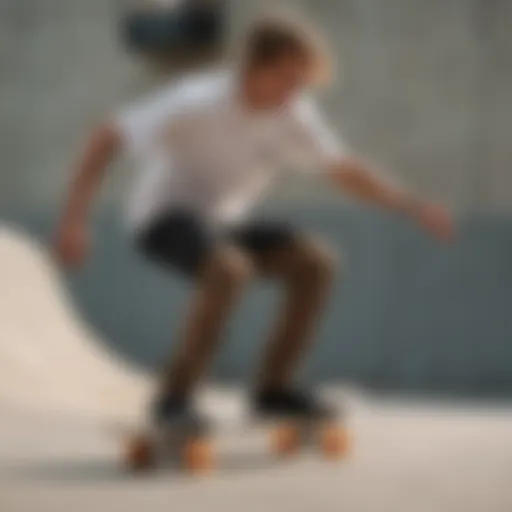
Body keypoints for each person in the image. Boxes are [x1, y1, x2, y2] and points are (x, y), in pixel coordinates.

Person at [55, 13, 455, 427]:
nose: (294, 92)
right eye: (287, 78)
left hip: (221, 223)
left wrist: (411, 205)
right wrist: (74, 220)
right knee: (228, 267)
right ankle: (174, 397)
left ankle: (274, 390)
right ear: (253, 67)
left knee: (315, 261)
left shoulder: (293, 112)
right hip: (162, 218)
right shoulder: (196, 99)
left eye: (301, 81)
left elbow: (344, 170)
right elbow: (105, 138)